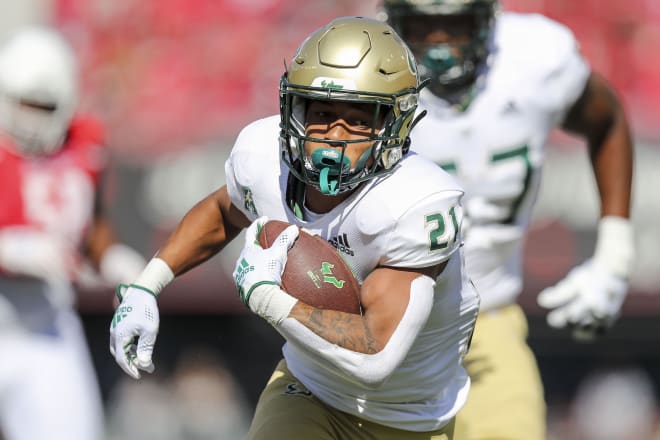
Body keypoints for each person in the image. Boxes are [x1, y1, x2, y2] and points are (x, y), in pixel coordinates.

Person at [109, 16, 480, 439]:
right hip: (310, 388)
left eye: (358, 119)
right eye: (321, 113)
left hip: (410, 417)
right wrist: (147, 285)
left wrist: (266, 297)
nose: (333, 136)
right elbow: (223, 210)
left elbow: (375, 357)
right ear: (294, 109)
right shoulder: (262, 156)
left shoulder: (412, 204)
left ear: (393, 125)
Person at [381, 1, 635, 439]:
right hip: (379, 324)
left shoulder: (537, 57)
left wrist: (615, 252)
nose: (440, 46)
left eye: (456, 26)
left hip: (488, 319)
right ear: (395, 20)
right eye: (423, 26)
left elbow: (607, 118)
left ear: (486, 19)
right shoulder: (362, 66)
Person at [0, 26, 146, 440]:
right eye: (22, 102)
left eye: (42, 105)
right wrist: (7, 250)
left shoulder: (85, 144)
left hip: (45, 324)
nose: (30, 116)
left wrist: (113, 258)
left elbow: (93, 226)